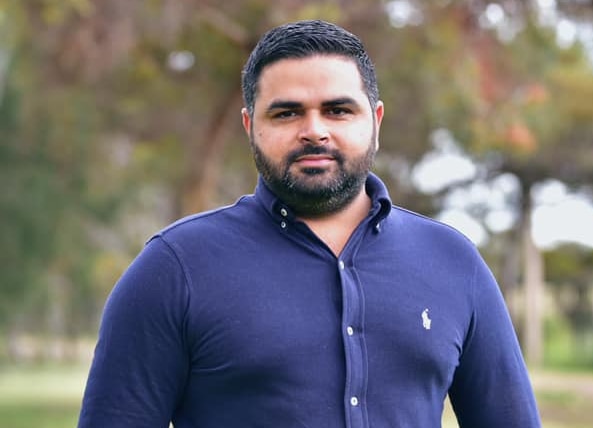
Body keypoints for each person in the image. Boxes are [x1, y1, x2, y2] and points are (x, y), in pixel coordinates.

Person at [78, 19, 541, 428]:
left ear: (375, 121)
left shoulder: (453, 263)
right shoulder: (174, 270)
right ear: (249, 126)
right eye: (287, 112)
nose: (314, 130)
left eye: (338, 110)